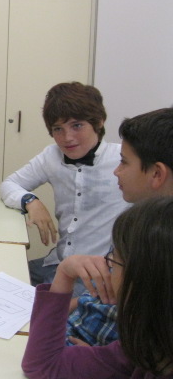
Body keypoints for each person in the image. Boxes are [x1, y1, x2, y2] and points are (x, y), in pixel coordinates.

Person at [22, 196, 173, 378]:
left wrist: (64, 276)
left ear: (144, 278)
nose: (108, 266)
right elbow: (44, 365)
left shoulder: (142, 342)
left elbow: (41, 365)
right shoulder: (145, 344)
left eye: (114, 258)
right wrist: (65, 272)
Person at [0, 82, 129, 294]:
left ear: (99, 122)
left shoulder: (123, 160)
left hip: (97, 274)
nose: (67, 138)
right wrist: (30, 201)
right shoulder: (51, 156)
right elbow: (9, 184)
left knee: (37, 310)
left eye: (77, 126)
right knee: (1, 279)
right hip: (58, 262)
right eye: (58, 129)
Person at [65, 107, 173, 347]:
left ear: (157, 174)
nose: (117, 171)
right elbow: (99, 297)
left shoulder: (156, 245)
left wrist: (101, 361)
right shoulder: (137, 222)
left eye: (124, 162)